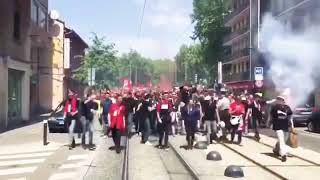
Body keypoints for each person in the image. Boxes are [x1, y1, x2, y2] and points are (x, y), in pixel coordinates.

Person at [270, 96, 293, 162]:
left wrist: (292, 126)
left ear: (283, 101)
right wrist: (270, 123)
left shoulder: (287, 107)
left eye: (280, 100)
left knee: (283, 140)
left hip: (285, 126)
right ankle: (283, 154)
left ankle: (276, 149)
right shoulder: (274, 107)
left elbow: (290, 117)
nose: (279, 101)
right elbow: (271, 116)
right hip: (277, 126)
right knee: (281, 140)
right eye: (278, 100)